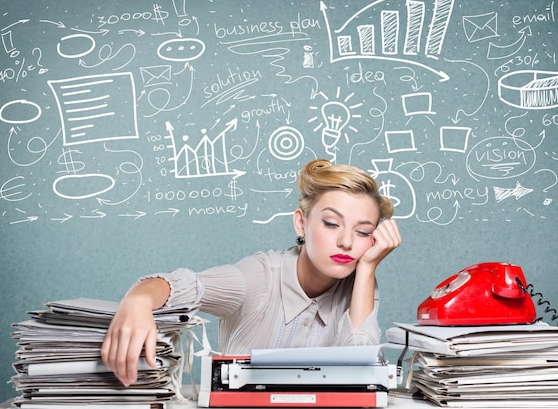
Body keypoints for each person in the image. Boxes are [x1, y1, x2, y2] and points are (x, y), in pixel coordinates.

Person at [101, 159, 402, 387]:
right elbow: (186, 285)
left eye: (362, 231)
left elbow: (365, 374)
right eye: (331, 223)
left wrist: (367, 268)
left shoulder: (360, 283)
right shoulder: (258, 276)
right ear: (301, 224)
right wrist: (137, 302)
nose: (347, 242)